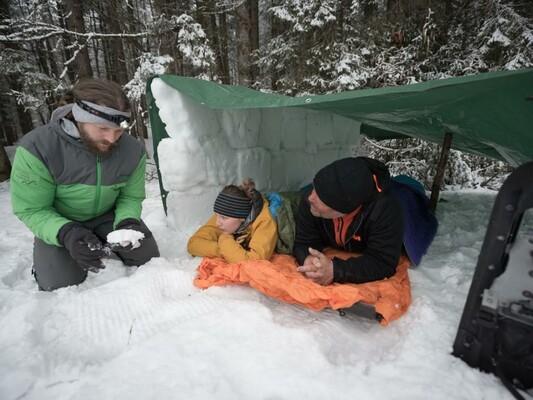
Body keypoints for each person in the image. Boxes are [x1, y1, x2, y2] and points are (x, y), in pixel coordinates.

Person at [10, 78, 160, 291]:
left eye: (119, 130)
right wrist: (66, 233)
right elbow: (32, 209)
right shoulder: (38, 148)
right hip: (60, 220)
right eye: (103, 129)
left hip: (107, 215)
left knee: (146, 256)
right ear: (79, 117)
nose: (112, 139)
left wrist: (128, 221)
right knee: (57, 283)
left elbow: (130, 197)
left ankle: (100, 235)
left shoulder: (132, 150)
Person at [294, 157, 405, 285]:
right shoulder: (310, 203)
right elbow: (304, 241)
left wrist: (335, 271)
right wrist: (308, 259)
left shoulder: (384, 211)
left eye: (322, 198)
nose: (311, 197)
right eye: (315, 188)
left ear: (342, 208)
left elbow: (382, 262)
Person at [187, 179, 278, 263]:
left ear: (242, 218)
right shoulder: (227, 214)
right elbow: (193, 244)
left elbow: (254, 262)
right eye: (216, 215)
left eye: (224, 217)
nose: (217, 223)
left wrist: (225, 239)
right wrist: (227, 250)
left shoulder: (265, 221)